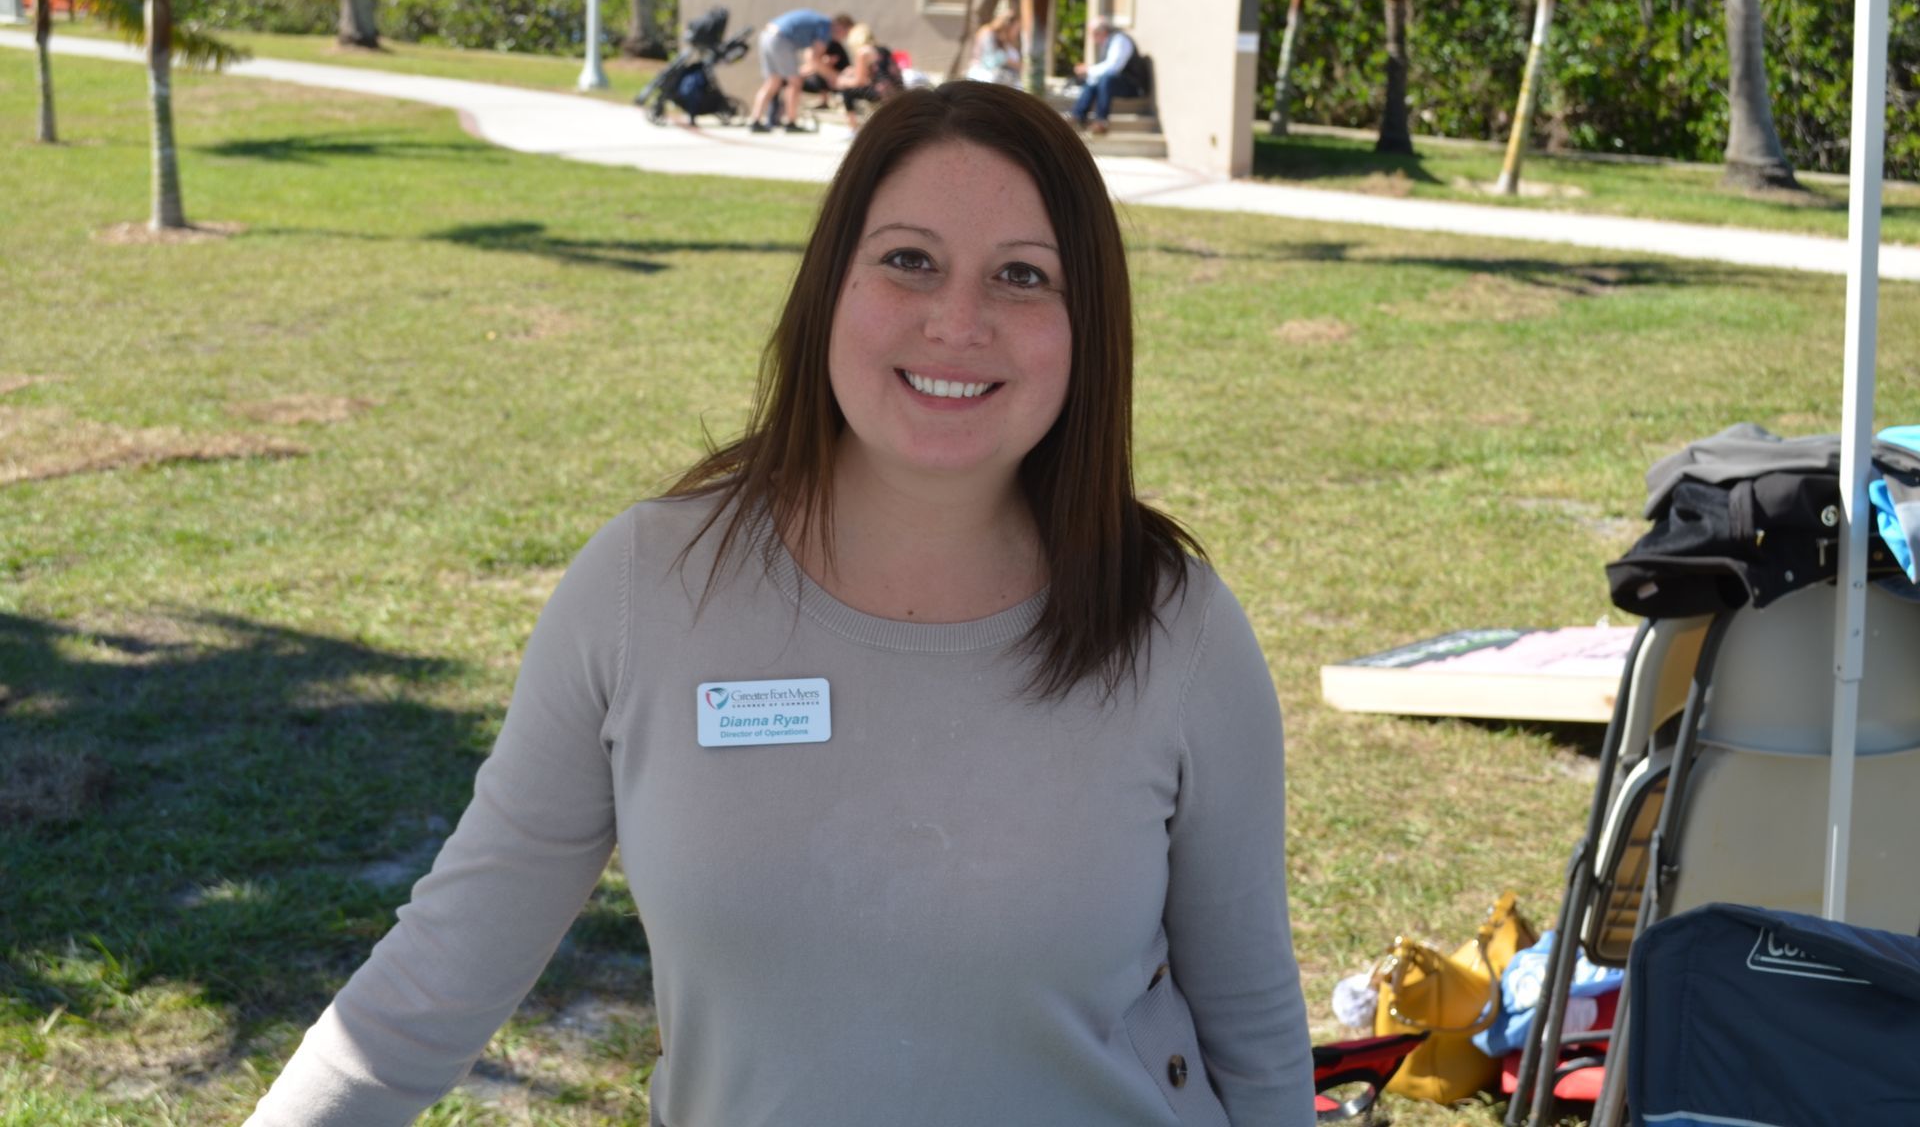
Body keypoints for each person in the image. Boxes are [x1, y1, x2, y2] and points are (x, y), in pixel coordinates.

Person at [244, 82, 1315, 1127]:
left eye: (1023, 276)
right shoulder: (647, 589)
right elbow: (439, 972)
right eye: (909, 260)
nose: (958, 321)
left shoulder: (1175, 628)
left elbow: (1253, 1030)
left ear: (1089, 330)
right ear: (828, 288)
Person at [750, 8, 852, 132]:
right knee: (795, 82)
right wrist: (835, 77)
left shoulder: (820, 23)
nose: (845, 37)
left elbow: (810, 57)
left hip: (766, 36)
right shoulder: (826, 27)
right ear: (840, 27)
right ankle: (791, 122)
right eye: (846, 33)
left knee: (773, 82)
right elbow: (813, 58)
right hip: (781, 39)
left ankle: (755, 120)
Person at [1072, 16, 1143, 135]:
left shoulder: (1120, 40)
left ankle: (1102, 121)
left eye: (1093, 34)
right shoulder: (1108, 43)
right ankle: (1078, 116)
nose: (1093, 39)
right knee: (1093, 80)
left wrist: (1088, 70)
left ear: (1102, 32)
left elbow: (1113, 68)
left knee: (1105, 78)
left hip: (1134, 86)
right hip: (1116, 82)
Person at [833, 23, 905, 128]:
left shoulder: (863, 52)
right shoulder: (882, 49)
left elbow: (860, 81)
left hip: (880, 93)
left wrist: (843, 81)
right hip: (897, 89)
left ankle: (852, 127)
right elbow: (880, 70)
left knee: (846, 90)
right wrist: (853, 71)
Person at [964, 10, 1022, 86]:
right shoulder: (988, 33)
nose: (1016, 33)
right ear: (1008, 26)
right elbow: (990, 61)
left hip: (998, 76)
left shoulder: (1006, 42)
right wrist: (1011, 62)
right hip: (983, 74)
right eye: (1016, 29)